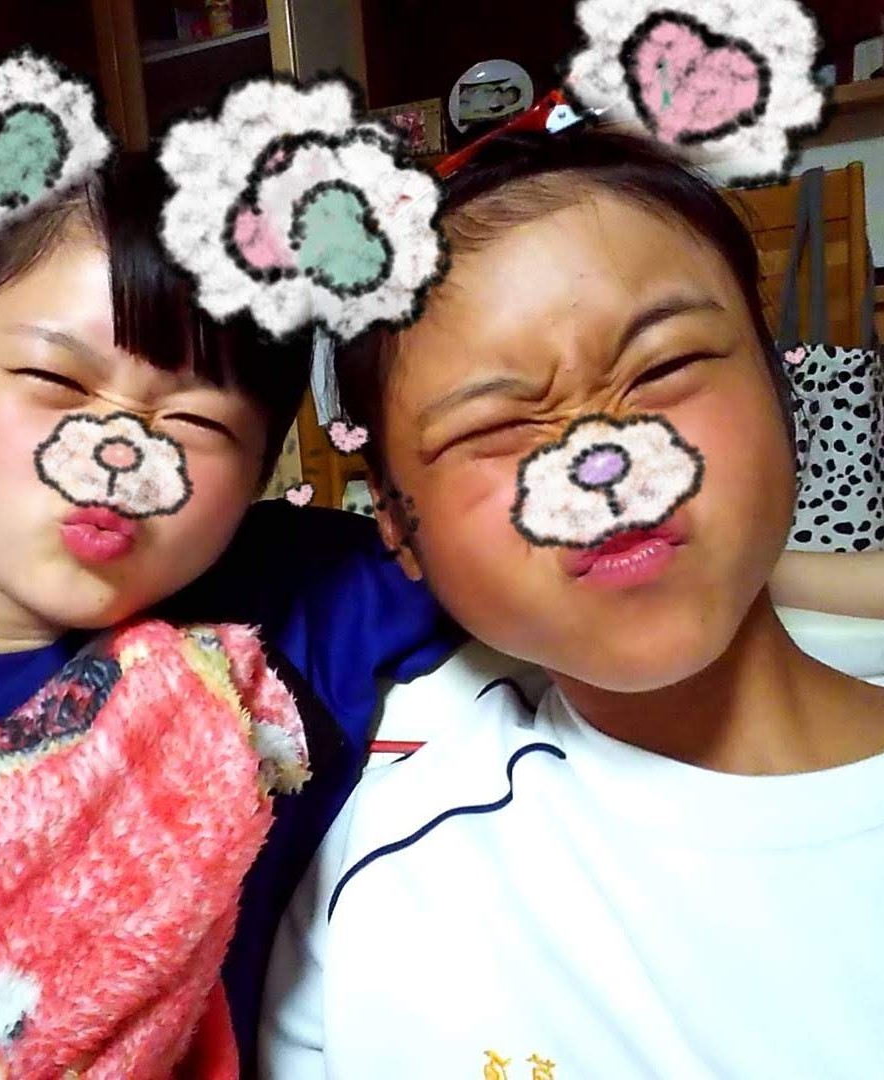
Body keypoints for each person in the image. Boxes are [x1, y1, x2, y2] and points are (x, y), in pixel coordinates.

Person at [0, 151, 460, 1072]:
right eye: (57, 381)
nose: (116, 452)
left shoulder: (299, 605)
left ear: (257, 476)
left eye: (196, 424)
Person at [260, 128, 884, 1076]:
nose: (602, 464)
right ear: (395, 525)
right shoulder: (387, 891)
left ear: (776, 382)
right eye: (495, 426)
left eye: (662, 368)